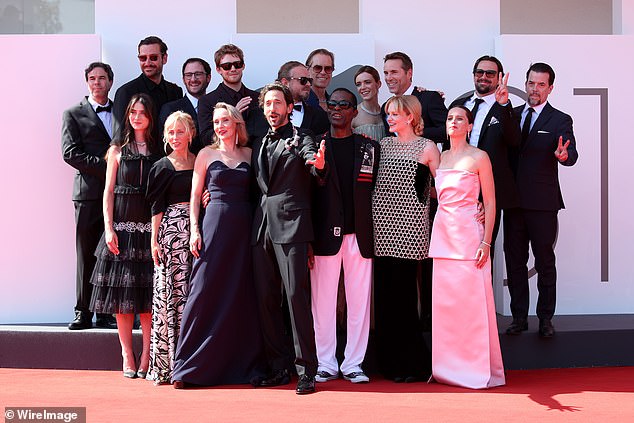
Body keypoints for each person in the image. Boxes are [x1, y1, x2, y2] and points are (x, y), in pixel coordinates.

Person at [171, 103, 265, 388]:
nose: (220, 126)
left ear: (237, 123)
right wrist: (194, 231)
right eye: (216, 122)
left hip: (244, 228)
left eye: (225, 120)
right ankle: (188, 367)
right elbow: (195, 194)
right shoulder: (206, 154)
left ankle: (241, 365)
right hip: (213, 228)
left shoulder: (250, 154)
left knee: (240, 293)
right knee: (203, 291)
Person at [250, 83, 326, 395]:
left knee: (296, 298)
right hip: (262, 228)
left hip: (293, 226)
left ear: (289, 106)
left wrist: (318, 166)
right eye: (267, 103)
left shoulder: (303, 137)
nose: (272, 108)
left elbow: (313, 162)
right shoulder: (257, 141)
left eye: (278, 103)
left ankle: (307, 370)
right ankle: (278, 367)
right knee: (267, 300)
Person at [429, 106, 505, 389]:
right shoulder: (442, 156)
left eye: (460, 118)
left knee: (472, 306)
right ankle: (446, 368)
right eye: (449, 118)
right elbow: (439, 194)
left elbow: (491, 201)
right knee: (447, 308)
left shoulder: (479, 157)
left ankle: (475, 369)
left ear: (470, 126)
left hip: (469, 239)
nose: (453, 122)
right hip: (443, 237)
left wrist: (487, 240)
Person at [310, 88, 379, 384]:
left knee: (359, 303)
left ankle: (354, 363)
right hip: (325, 237)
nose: (337, 108)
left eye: (344, 104)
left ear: (354, 112)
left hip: (360, 237)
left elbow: (376, 191)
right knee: (322, 303)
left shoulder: (369, 148)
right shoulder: (314, 146)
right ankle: (325, 363)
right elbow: (309, 193)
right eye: (333, 103)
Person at [504, 62, 578, 338]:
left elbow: (571, 154)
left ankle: (545, 318)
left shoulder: (560, 119)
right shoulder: (510, 114)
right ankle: (519, 317)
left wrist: (563, 156)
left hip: (543, 202)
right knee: (515, 262)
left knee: (545, 261)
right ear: (525, 84)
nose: (535, 89)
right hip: (513, 203)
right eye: (531, 83)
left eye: (541, 85)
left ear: (550, 88)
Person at [89, 94, 160, 378]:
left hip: (149, 232)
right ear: (128, 115)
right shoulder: (117, 150)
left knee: (148, 301)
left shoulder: (160, 150)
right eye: (133, 112)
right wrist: (108, 227)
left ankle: (147, 354)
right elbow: (107, 191)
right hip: (121, 231)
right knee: (122, 300)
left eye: (142, 112)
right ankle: (126, 353)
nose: (137, 116)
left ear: (150, 117)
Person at [372, 95, 439, 382]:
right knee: (385, 297)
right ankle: (388, 363)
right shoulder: (383, 146)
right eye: (387, 114)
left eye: (394, 114)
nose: (389, 118)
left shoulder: (427, 148)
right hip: (381, 229)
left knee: (405, 298)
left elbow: (441, 189)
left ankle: (411, 364)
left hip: (411, 230)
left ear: (410, 116)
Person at [62, 62, 117, 330]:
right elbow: (70, 153)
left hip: (119, 194)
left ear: (110, 81)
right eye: (93, 78)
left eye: (102, 78)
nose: (97, 82)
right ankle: (82, 311)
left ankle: (105, 312)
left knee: (110, 254)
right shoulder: (73, 113)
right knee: (86, 255)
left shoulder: (121, 110)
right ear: (87, 82)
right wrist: (108, 167)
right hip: (88, 195)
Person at [145, 111, 196, 385]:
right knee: (172, 297)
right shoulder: (162, 166)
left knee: (193, 295)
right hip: (172, 237)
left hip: (198, 235)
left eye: (180, 131)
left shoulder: (201, 161)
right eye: (170, 132)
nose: (175, 137)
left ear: (191, 133)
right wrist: (154, 241)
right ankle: (170, 363)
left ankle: (191, 360)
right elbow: (156, 207)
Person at [447, 56, 520, 247]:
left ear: (498, 78)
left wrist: (504, 105)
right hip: (459, 188)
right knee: (457, 246)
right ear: (473, 76)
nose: (484, 77)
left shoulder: (503, 107)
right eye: (480, 72)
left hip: (489, 189)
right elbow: (448, 142)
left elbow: (514, 141)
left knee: (483, 247)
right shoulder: (459, 104)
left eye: (490, 73)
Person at [112, 36, 182, 144]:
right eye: (143, 58)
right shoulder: (126, 92)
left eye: (153, 57)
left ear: (164, 58)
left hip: (170, 156)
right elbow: (119, 136)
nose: (147, 63)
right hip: (139, 158)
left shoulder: (175, 91)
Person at [197, 44, 267, 145]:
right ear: (218, 70)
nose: (233, 69)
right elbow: (206, 139)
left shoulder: (258, 98)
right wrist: (232, 116)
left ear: (243, 65)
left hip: (255, 157)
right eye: (227, 66)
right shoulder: (207, 101)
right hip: (225, 158)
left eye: (237, 64)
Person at [381, 51, 448, 143]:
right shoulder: (386, 106)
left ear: (409, 73)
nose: (388, 78)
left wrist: (416, 132)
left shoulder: (429, 98)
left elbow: (447, 131)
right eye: (386, 73)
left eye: (394, 72)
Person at [159, 58, 212, 155]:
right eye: (188, 75)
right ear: (183, 79)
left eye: (198, 74)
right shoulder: (170, 109)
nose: (193, 79)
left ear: (208, 77)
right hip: (183, 168)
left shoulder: (217, 108)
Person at [277, 61, 329, 136]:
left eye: (310, 81)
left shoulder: (320, 117)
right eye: (303, 80)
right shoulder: (263, 114)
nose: (308, 84)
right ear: (285, 83)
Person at [351, 65, 386, 142]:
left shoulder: (387, 112)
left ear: (378, 84)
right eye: (358, 84)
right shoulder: (353, 114)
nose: (362, 87)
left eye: (367, 82)